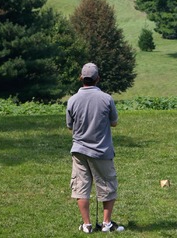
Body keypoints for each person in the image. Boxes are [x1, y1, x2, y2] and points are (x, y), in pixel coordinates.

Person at [66, 63, 125, 233]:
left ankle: (87, 225)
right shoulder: (106, 98)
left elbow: (70, 126)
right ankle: (106, 224)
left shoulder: (72, 100)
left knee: (81, 186)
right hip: (101, 150)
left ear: (81, 78)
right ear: (97, 78)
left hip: (79, 150)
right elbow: (114, 122)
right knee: (107, 185)